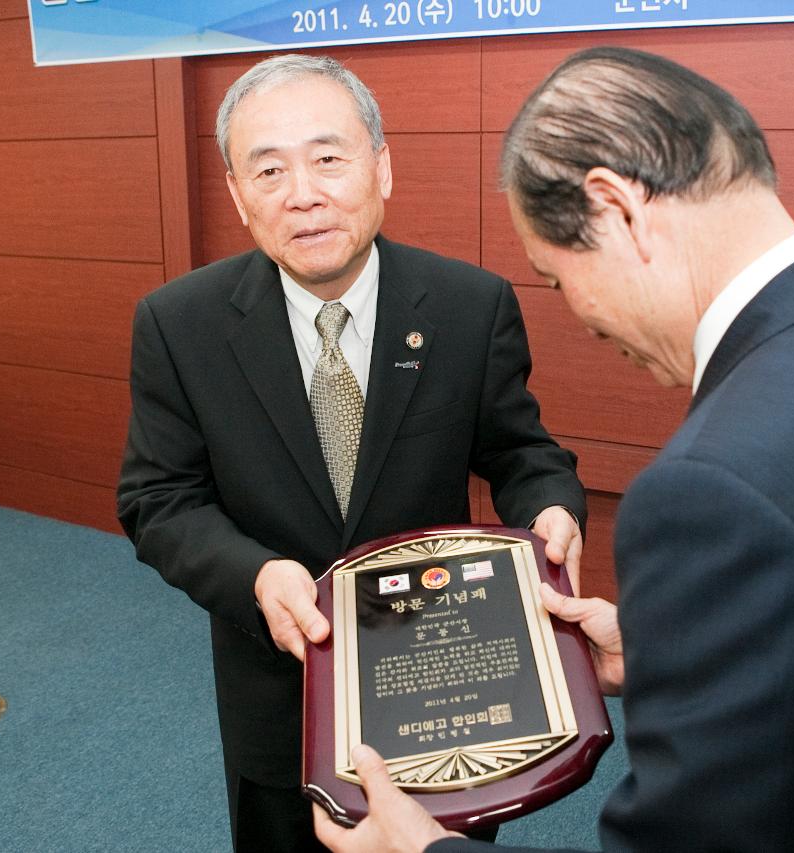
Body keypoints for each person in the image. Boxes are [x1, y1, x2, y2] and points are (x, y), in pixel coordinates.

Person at [314, 47, 794, 853]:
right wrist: (678, 655)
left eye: (556, 280)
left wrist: (426, 851)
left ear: (617, 209)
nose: (582, 322)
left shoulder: (715, 488)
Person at [116, 54, 586, 852]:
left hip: (443, 680)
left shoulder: (470, 307)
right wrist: (256, 575)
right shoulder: (178, 324)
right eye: (268, 169)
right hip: (282, 694)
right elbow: (159, 499)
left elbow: (519, 450)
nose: (303, 193)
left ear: (381, 167)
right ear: (238, 194)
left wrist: (550, 507)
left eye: (328, 158)